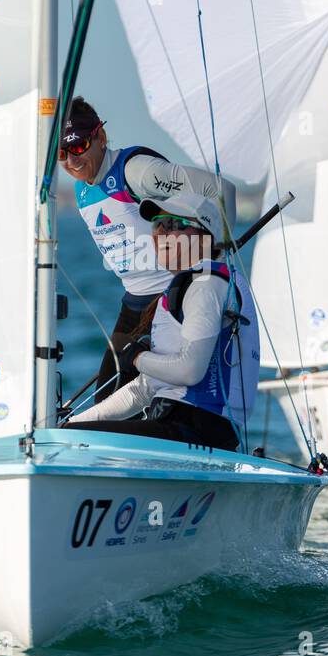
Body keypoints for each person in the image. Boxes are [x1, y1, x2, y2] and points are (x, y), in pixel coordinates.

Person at [58, 96, 231, 399]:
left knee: (144, 396)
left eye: (78, 147)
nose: (71, 161)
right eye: (62, 153)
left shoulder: (136, 171)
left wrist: (220, 257)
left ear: (100, 137)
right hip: (133, 302)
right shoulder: (80, 188)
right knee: (107, 398)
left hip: (172, 294)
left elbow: (217, 189)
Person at [65, 189, 257, 451]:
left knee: (74, 446)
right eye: (158, 224)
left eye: (176, 225)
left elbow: (190, 370)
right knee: (67, 437)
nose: (162, 233)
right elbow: (144, 389)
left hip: (198, 431)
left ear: (205, 235)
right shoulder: (186, 285)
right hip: (173, 426)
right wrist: (68, 424)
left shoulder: (206, 285)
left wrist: (137, 358)